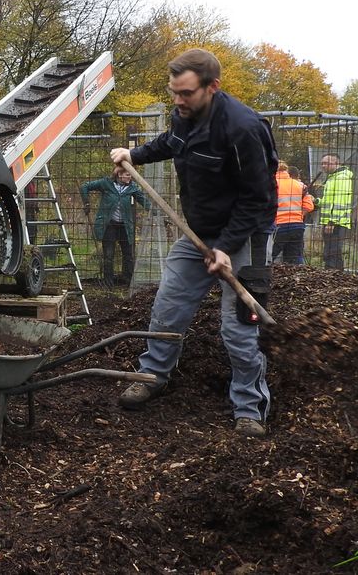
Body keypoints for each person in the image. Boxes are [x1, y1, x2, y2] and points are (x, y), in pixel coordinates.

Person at [111, 48, 278, 438]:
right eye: (174, 92)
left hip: (246, 234)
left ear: (212, 87)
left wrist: (227, 247)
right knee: (168, 305)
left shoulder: (243, 128)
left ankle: (249, 406)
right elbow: (171, 143)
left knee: (239, 326)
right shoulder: (184, 116)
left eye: (185, 93)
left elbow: (258, 198)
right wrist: (133, 154)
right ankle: (153, 375)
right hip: (199, 233)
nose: (178, 100)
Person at [80, 166, 149, 285]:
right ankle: (108, 281)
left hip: (125, 226)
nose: (130, 177)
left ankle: (127, 280)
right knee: (109, 254)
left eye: (130, 175)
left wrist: (156, 212)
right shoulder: (106, 183)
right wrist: (86, 202)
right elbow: (85, 186)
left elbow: (144, 201)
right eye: (127, 174)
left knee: (128, 254)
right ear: (119, 174)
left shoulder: (132, 188)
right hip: (109, 225)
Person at [272, 161, 315, 264]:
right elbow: (309, 206)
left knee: (268, 257)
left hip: (278, 226)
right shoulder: (300, 185)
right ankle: (296, 278)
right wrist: (298, 216)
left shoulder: (270, 184)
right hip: (297, 226)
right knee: (293, 260)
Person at [316, 154, 354, 270]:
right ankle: (338, 278)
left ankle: (330, 276)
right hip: (331, 222)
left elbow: (340, 202)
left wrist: (332, 222)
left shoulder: (341, 178)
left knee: (331, 253)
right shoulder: (332, 178)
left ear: (336, 163)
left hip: (335, 223)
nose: (323, 166)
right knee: (333, 253)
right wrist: (316, 201)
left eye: (326, 163)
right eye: (322, 163)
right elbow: (329, 202)